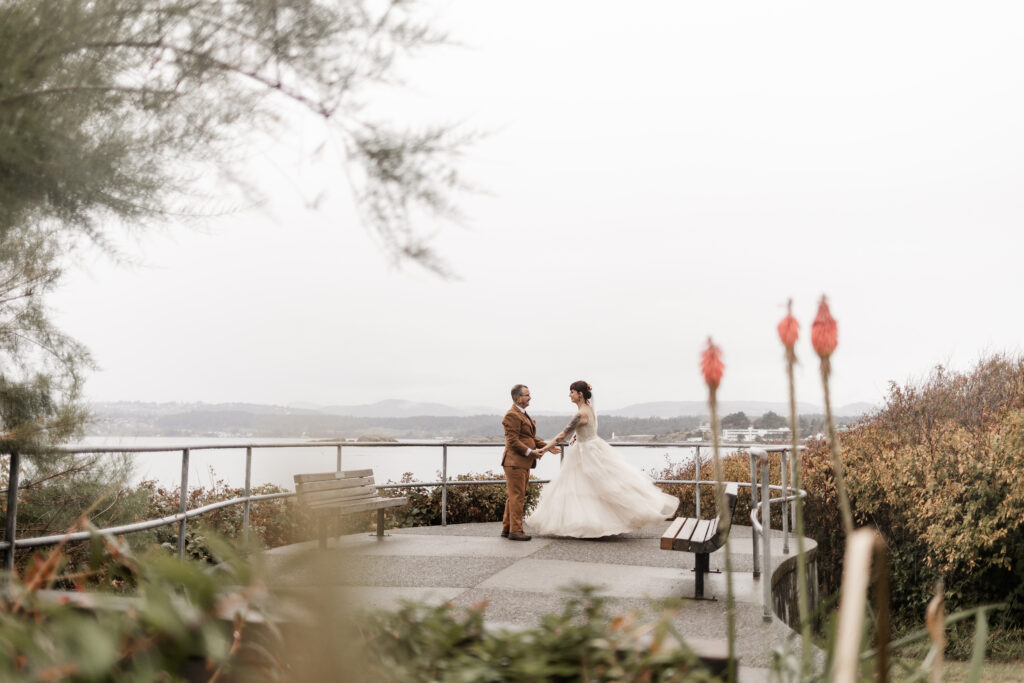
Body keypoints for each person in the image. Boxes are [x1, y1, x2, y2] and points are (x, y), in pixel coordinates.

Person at [527, 381, 679, 538]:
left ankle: (591, 525)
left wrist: (543, 449)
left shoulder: (580, 414)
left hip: (586, 452)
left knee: (585, 487)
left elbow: (561, 435)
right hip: (592, 448)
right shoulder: (589, 410)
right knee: (590, 487)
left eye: (572, 392)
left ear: (580, 394)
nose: (569, 395)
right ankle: (589, 524)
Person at [501, 384, 549, 541]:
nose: (530, 397)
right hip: (515, 462)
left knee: (514, 496)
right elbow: (513, 441)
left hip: (522, 462)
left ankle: (507, 528)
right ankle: (516, 531)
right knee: (517, 497)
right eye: (527, 395)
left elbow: (529, 437)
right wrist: (531, 452)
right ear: (518, 398)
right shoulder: (512, 415)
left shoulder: (522, 414)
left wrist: (546, 446)